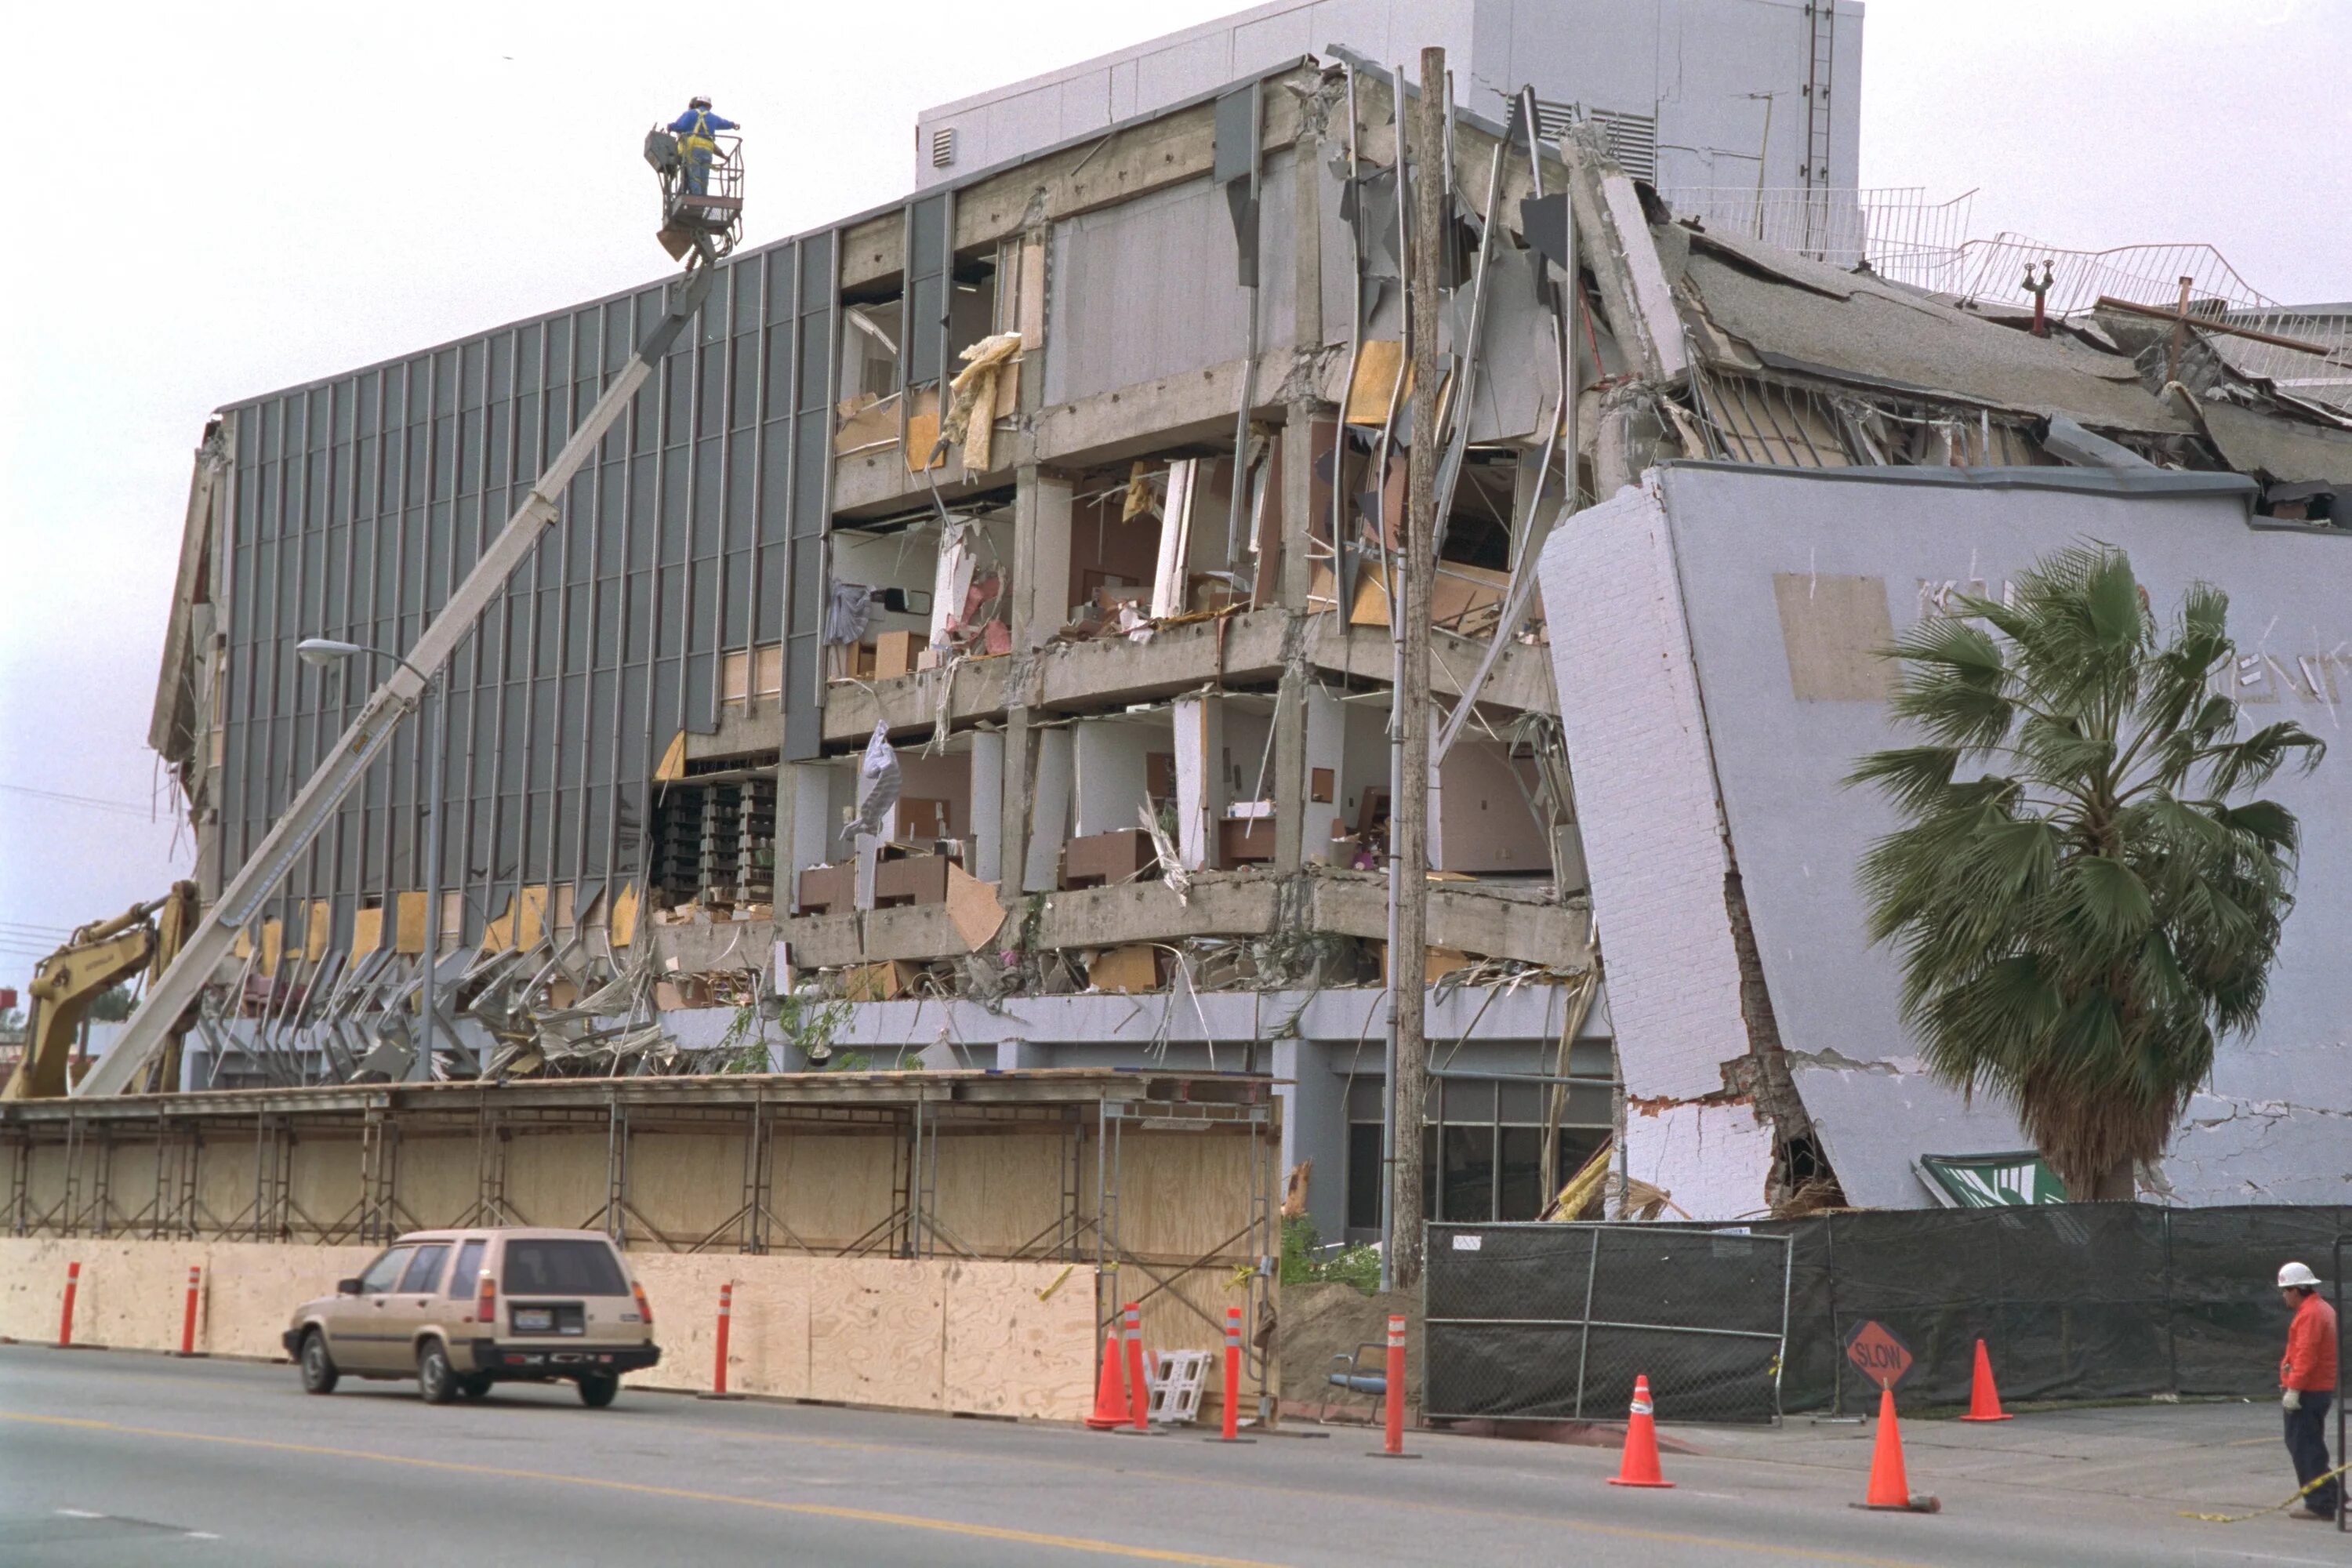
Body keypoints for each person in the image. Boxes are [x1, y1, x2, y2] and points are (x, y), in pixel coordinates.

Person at [2277, 1261, 2341, 1522]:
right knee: (2311, 1445)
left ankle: (2320, 1503)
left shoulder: (2310, 1314)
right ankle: (2335, 1496)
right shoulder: (2320, 1308)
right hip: (2318, 1388)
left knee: (2304, 1447)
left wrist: (2294, 1389)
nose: (2283, 1296)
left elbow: (2306, 1354)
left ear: (2296, 1289)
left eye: (2285, 1290)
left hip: (2309, 1390)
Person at [669, 96, 738, 197]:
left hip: (692, 149)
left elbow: (681, 127)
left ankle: (696, 199)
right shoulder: (713, 117)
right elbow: (724, 123)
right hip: (707, 151)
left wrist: (671, 126)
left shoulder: (689, 114)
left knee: (694, 176)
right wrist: (733, 125)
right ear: (709, 106)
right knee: (704, 177)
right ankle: (703, 199)